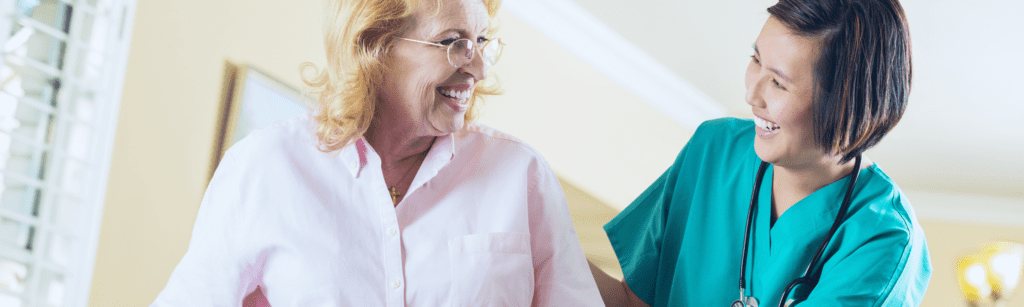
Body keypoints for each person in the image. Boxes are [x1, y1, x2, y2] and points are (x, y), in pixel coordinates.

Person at [152, 0, 603, 305]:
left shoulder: (520, 177)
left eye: (482, 41)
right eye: (454, 42)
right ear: (376, 47)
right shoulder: (264, 168)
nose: (479, 68)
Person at [590, 0, 931, 306]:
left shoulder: (882, 240)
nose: (751, 95)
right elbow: (630, 302)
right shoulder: (714, 149)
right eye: (756, 60)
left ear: (846, 108)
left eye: (778, 83)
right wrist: (544, 233)